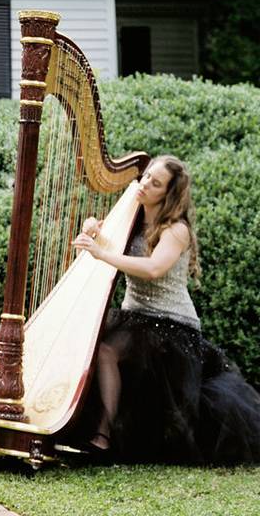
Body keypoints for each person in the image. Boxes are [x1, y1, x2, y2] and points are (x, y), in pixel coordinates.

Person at [72, 155, 260, 464]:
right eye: (146, 177)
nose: (145, 184)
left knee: (106, 351)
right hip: (134, 315)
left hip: (169, 322)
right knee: (92, 342)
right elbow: (99, 246)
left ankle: (103, 437)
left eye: (155, 183)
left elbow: (153, 268)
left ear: (168, 194)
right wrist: (92, 229)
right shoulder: (131, 218)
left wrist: (101, 253)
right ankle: (91, 429)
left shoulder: (176, 230)